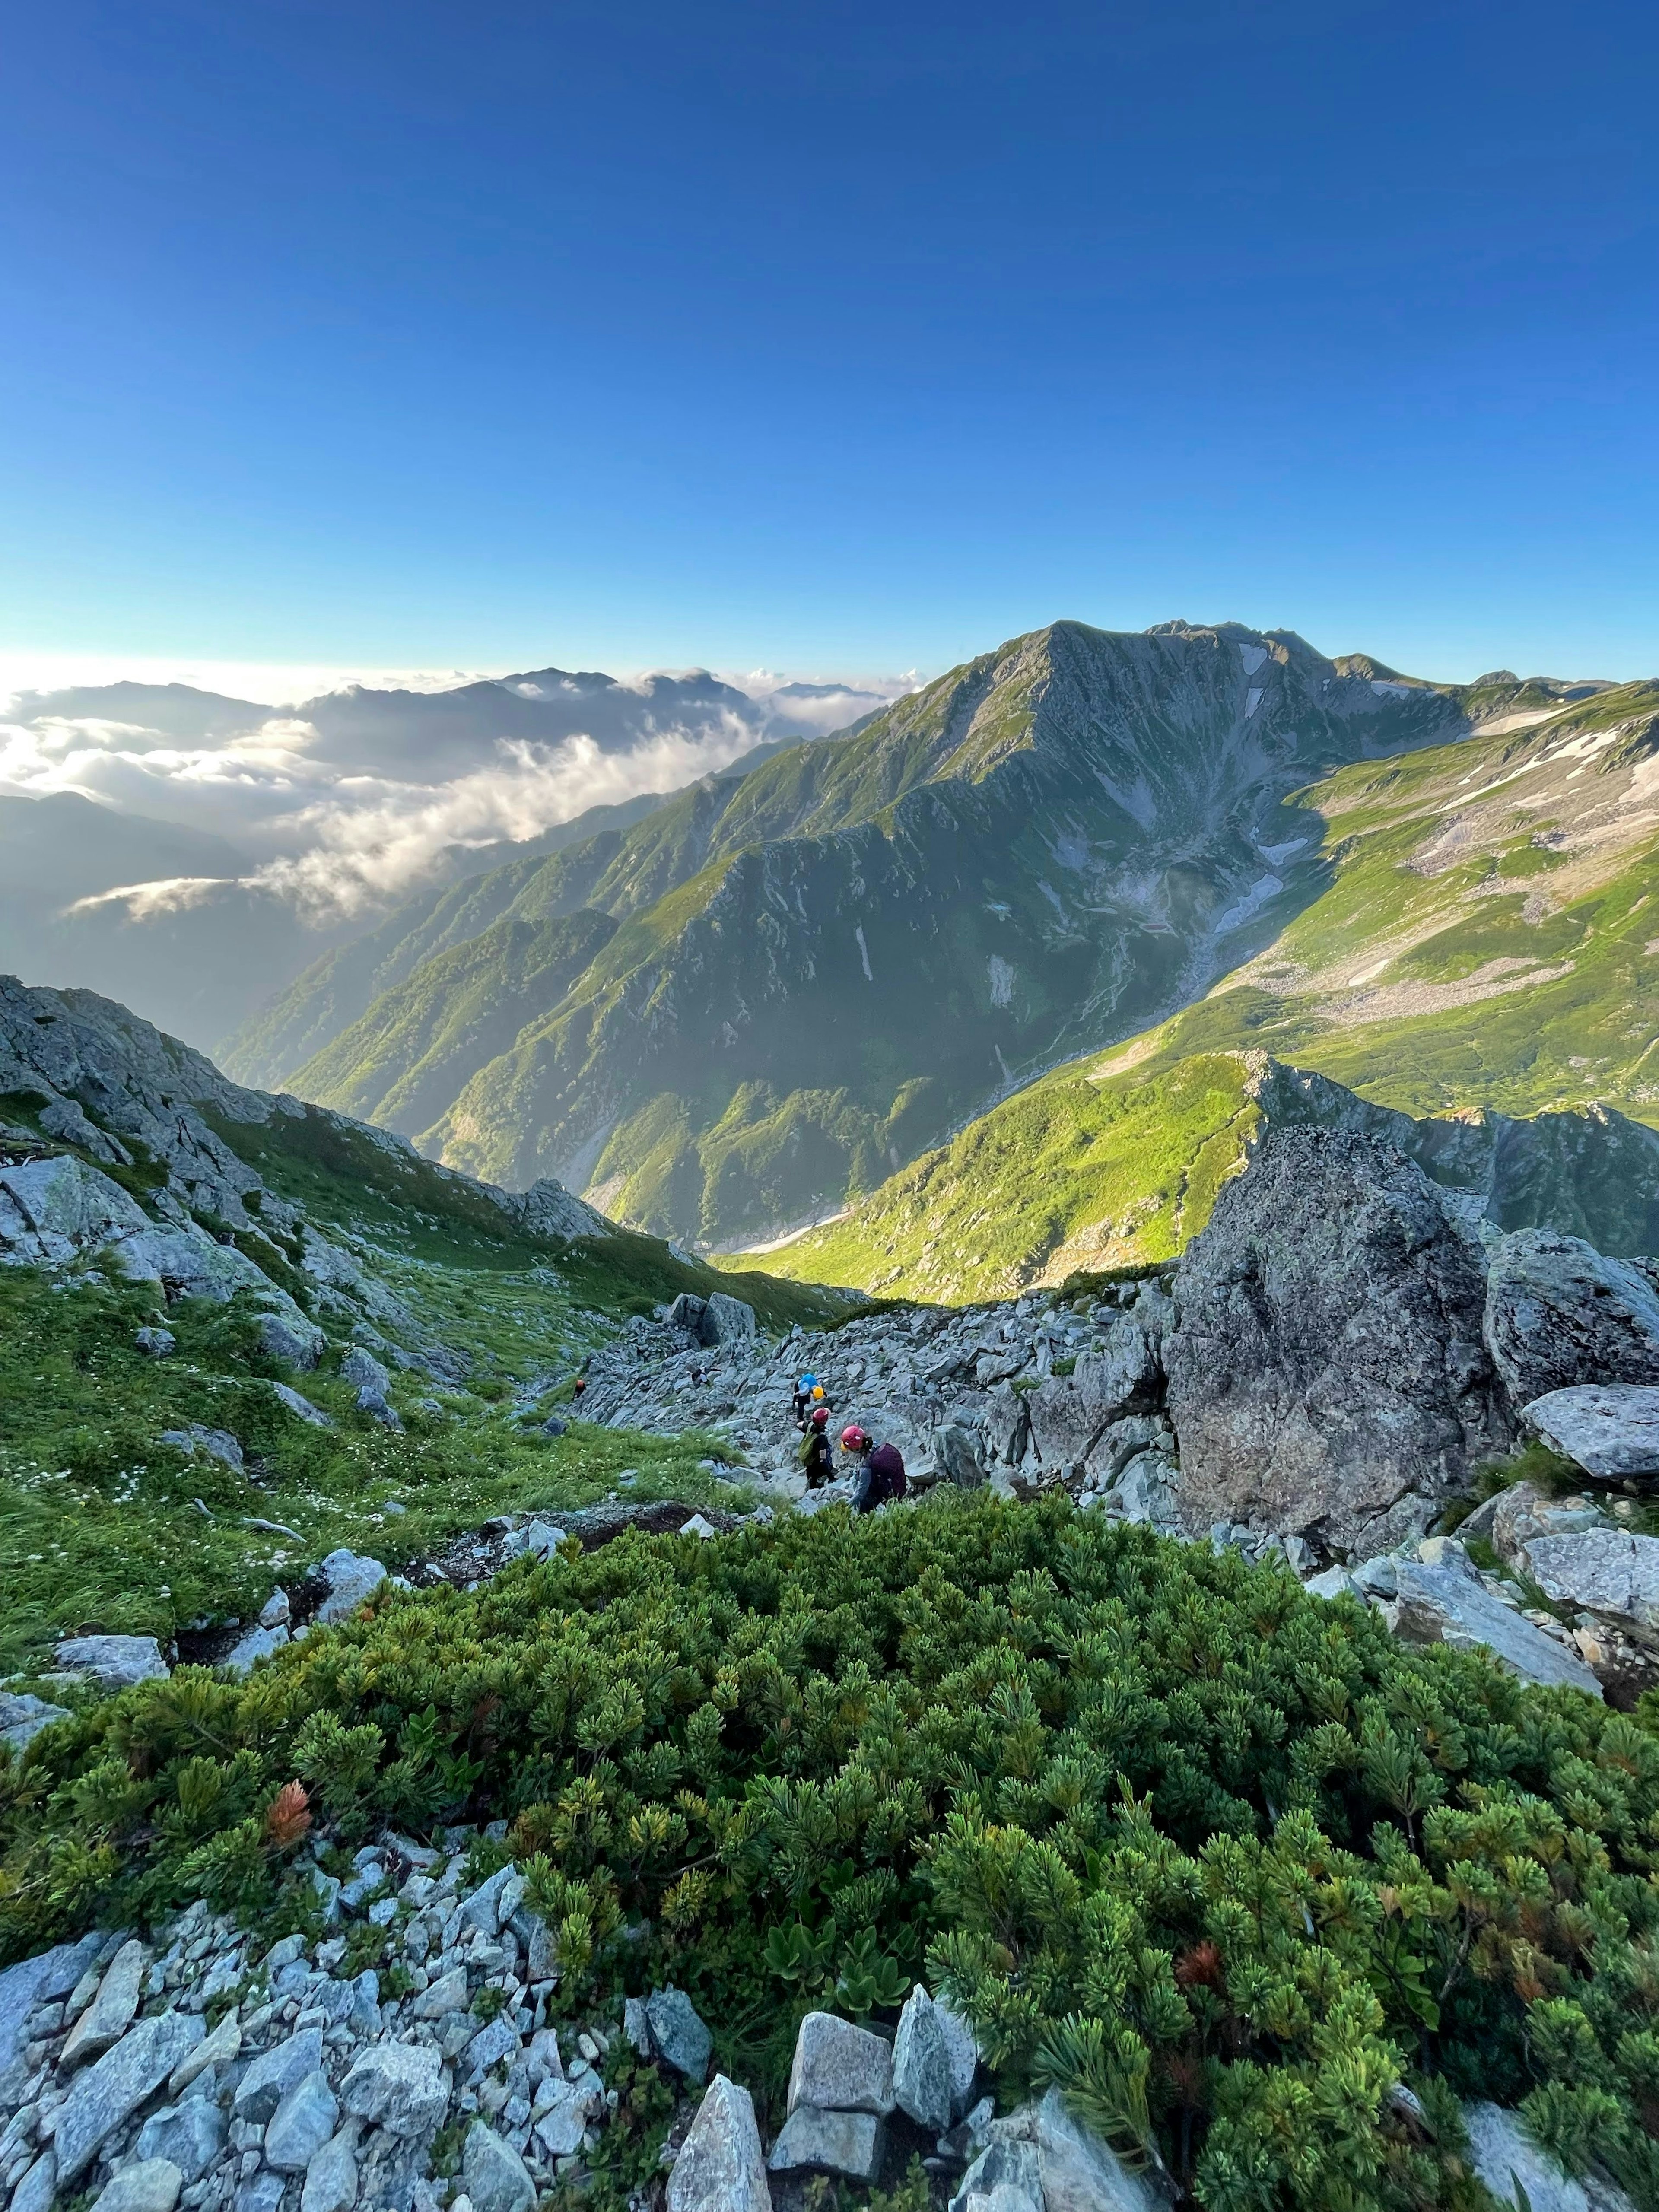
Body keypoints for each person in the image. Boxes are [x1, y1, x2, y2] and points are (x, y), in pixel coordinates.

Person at [839, 1425, 907, 1513]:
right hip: (898, 1487)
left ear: (856, 1449)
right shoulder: (877, 1448)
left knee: (863, 1506)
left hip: (883, 1492)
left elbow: (860, 1495)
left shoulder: (866, 1468)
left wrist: (845, 1507)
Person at [799, 1405, 834, 1487]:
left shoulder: (809, 1426)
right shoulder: (822, 1438)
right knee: (815, 1488)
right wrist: (831, 1476)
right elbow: (823, 1459)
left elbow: (799, 1425)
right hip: (819, 1471)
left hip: (810, 1466)